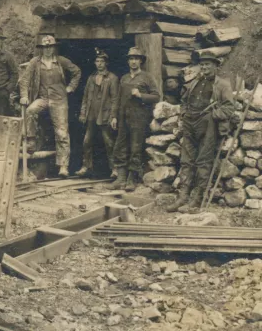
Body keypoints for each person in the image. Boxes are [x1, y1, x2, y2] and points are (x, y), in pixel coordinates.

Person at [166, 52, 235, 213]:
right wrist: (184, 113)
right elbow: (184, 100)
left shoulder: (223, 84)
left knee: (203, 162)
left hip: (208, 124)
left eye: (208, 64)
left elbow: (229, 108)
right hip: (190, 123)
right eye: (202, 64)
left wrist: (212, 115)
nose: (204, 67)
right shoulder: (195, 81)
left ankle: (195, 200)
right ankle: (183, 197)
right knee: (186, 160)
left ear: (216, 66)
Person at [19, 35, 81, 178]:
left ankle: (63, 166)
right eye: (44, 47)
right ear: (41, 49)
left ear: (54, 48)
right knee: (30, 110)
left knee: (62, 132)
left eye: (50, 47)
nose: (47, 50)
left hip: (59, 100)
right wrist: (24, 95)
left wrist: (71, 87)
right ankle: (31, 140)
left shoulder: (61, 61)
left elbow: (77, 72)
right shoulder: (35, 62)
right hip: (43, 98)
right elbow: (24, 80)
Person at [109, 47, 161, 192]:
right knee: (120, 145)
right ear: (128, 61)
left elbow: (157, 96)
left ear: (141, 61)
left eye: (136, 59)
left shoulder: (147, 77)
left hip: (139, 117)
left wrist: (141, 95)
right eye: (131, 59)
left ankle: (132, 178)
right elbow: (118, 99)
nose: (133, 61)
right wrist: (114, 116)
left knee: (135, 147)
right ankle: (120, 178)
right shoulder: (124, 78)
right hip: (123, 116)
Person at [76, 48, 119, 178]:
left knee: (108, 142)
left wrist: (113, 116)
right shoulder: (91, 78)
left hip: (105, 115)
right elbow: (85, 97)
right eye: (97, 61)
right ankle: (86, 166)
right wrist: (83, 113)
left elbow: (115, 99)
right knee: (86, 141)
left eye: (102, 61)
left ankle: (115, 168)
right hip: (91, 114)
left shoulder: (112, 78)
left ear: (106, 63)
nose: (99, 63)